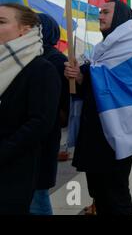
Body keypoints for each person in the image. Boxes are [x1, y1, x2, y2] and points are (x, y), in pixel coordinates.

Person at [64, 0, 132, 215]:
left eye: (106, 12)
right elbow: (100, 81)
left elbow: (123, 81)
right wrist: (79, 76)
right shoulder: (101, 49)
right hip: (97, 133)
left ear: (120, 18)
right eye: (100, 12)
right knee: (99, 192)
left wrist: (85, 73)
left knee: (116, 193)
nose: (100, 16)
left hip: (120, 131)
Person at [0, 3, 61, 215]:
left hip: (17, 170)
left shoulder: (41, 69)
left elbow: (40, 122)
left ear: (25, 29)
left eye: (1, 22)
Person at [29, 13, 69, 215]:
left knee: (37, 197)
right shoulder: (31, 56)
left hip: (41, 139)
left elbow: (62, 105)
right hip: (32, 140)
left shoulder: (54, 60)